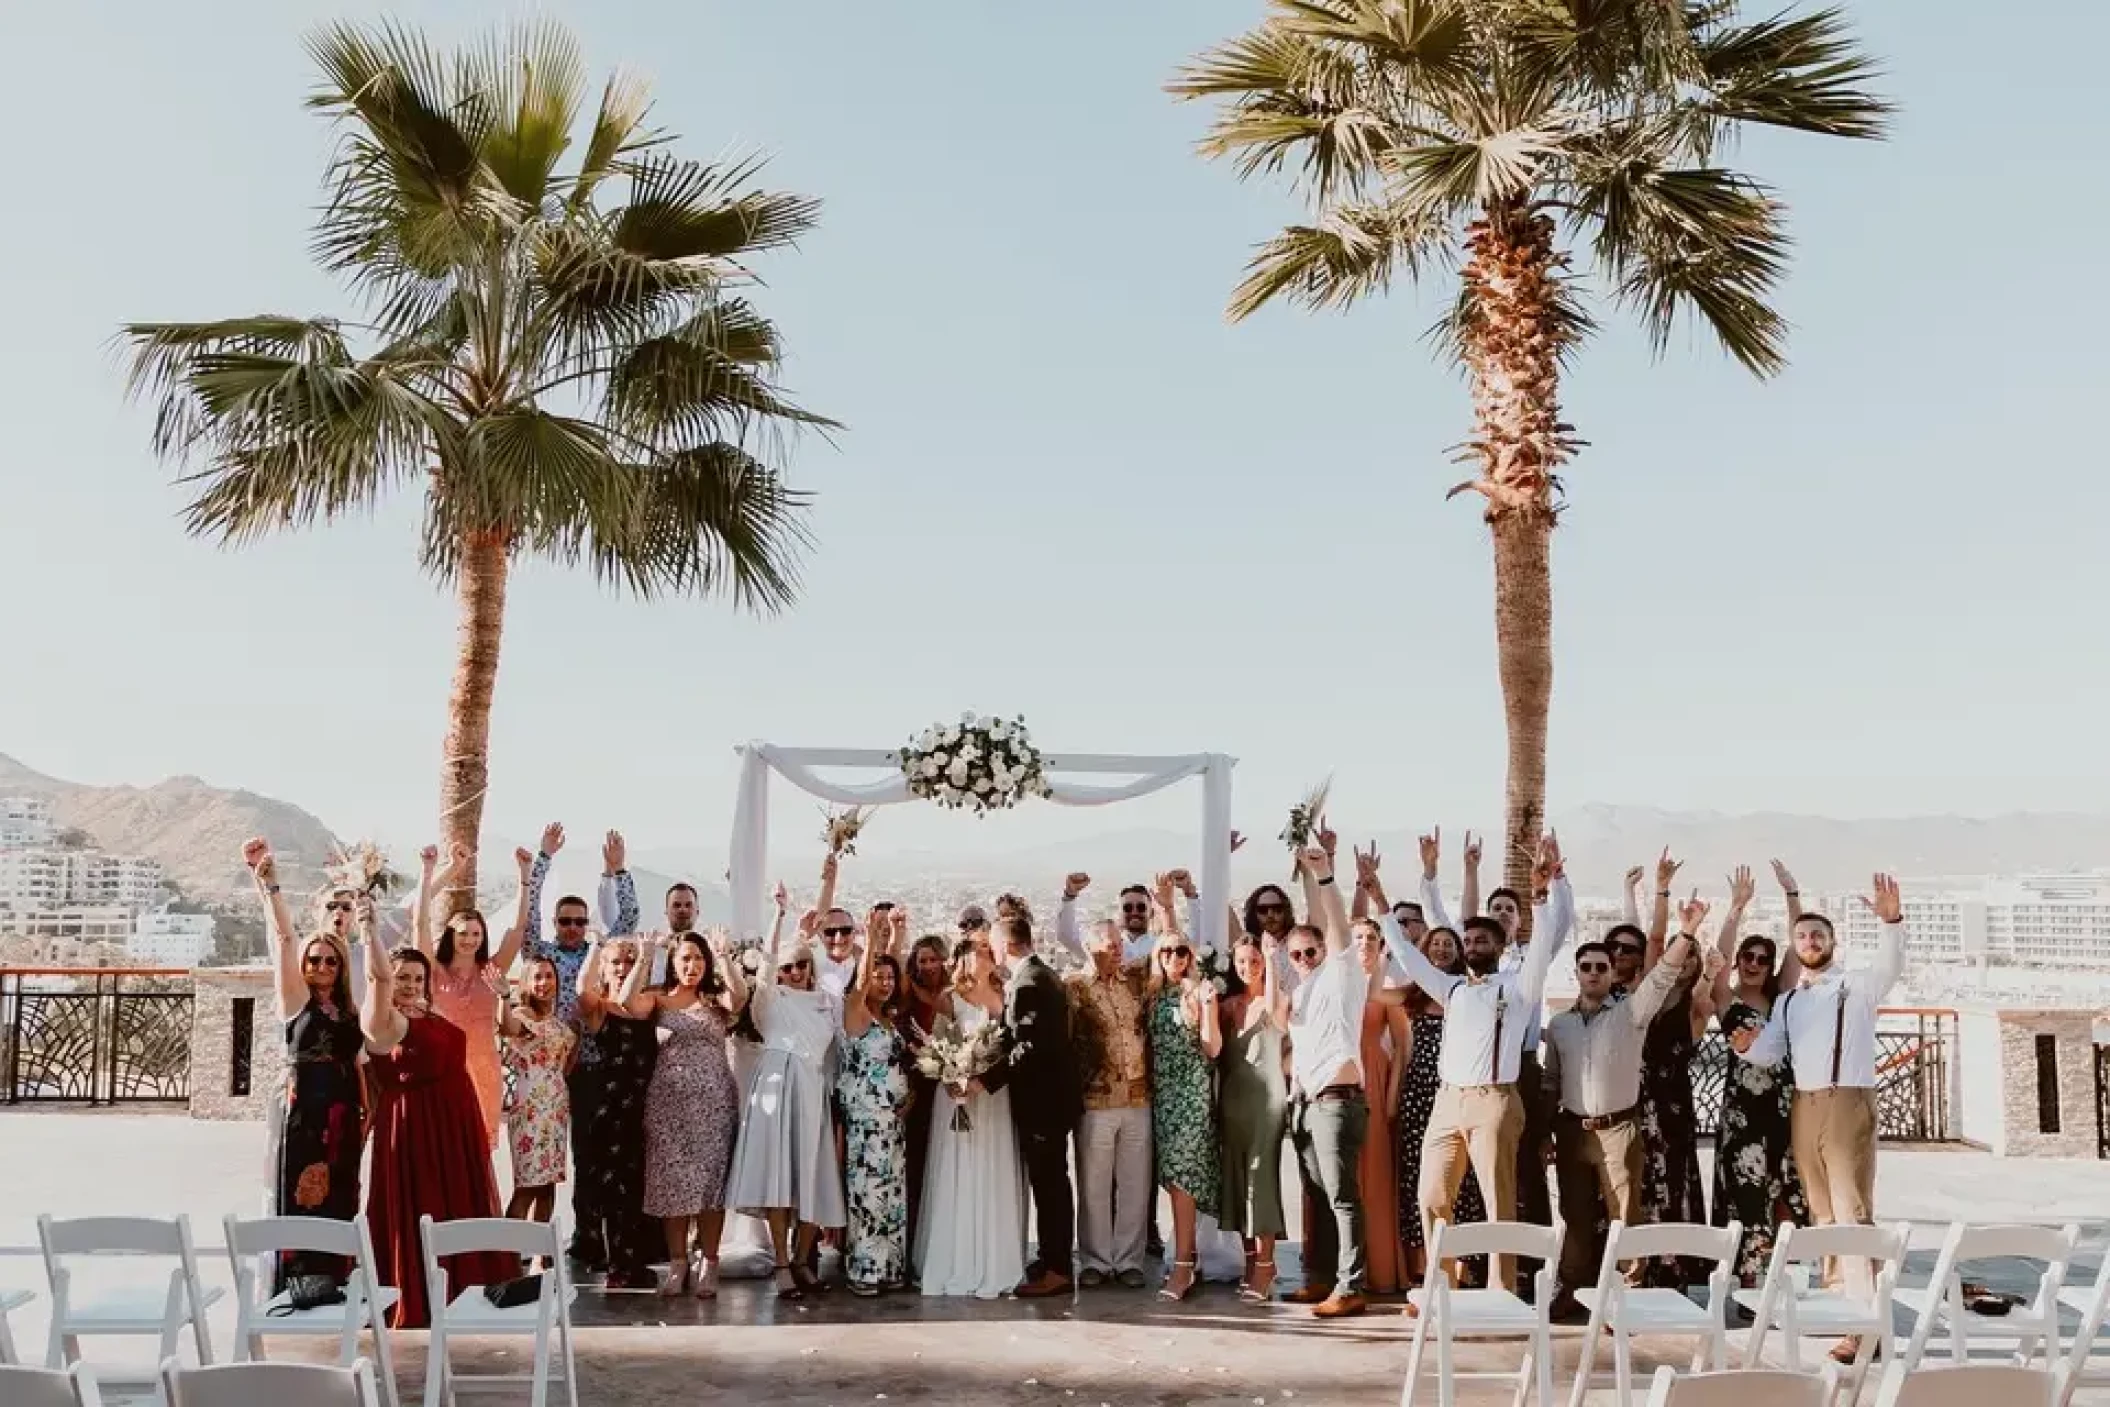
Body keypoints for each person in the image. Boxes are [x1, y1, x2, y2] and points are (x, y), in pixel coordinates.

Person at [1383, 832, 1573, 1295]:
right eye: (1467, 939)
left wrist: (1543, 895)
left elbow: (1547, 938)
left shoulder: (1518, 987)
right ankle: (1440, 1284)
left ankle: (1500, 1290)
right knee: (1431, 1195)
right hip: (1447, 1104)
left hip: (1495, 1102)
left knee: (1497, 1201)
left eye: (1481, 939)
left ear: (1499, 945)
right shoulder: (1452, 990)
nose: (1472, 944)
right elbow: (1409, 956)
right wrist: (1377, 897)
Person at [1735, 874, 1908, 1364]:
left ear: (1832, 943)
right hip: (1804, 1105)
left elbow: (1891, 966)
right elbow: (1770, 1052)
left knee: (1852, 1210)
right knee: (1823, 1212)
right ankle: (1843, 1309)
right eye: (1802, 937)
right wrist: (1745, 1046)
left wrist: (1891, 921)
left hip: (1846, 1098)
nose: (1809, 942)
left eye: (1818, 936)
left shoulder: (1856, 986)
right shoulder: (1790, 1000)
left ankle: (1865, 1322)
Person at [244, 839, 393, 1293]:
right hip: (304, 1109)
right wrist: (270, 886)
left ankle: (336, 1276)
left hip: (345, 1110)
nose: (322, 965)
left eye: (331, 960)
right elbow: (287, 939)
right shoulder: (295, 1001)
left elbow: (361, 1057)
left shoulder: (349, 1008)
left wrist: (367, 1113)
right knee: (301, 1189)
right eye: (316, 959)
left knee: (344, 1191)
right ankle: (296, 1278)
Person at [1538, 913, 1696, 1321]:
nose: (1593, 974)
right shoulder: (1560, 1026)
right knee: (1573, 1213)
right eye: (1586, 967)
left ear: (1612, 974)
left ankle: (1630, 1290)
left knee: (1624, 1213)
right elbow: (1551, 1082)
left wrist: (1688, 932)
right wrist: (1544, 1132)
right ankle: (1571, 1287)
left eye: (1601, 967)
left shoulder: (1631, 1014)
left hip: (1619, 1129)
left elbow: (1662, 976)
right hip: (1573, 1129)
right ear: (1576, 974)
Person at [363, 945, 514, 1329]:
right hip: (415, 1125)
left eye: (418, 978)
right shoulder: (384, 1019)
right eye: (403, 978)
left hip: (453, 1125)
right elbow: (377, 978)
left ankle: (465, 1286)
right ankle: (417, 1292)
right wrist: (369, 932)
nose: (411, 985)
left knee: (456, 1200)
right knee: (421, 1203)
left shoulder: (431, 1013)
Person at [523, 825, 637, 1269]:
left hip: (594, 1067)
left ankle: (590, 1238)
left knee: (591, 1156)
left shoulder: (599, 954)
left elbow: (626, 922)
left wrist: (618, 870)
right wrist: (543, 858)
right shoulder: (543, 955)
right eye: (564, 921)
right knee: (550, 1161)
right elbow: (527, 915)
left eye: (578, 921)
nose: (571, 928)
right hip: (550, 1073)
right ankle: (537, 1247)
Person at [726, 885, 846, 1299]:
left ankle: (801, 1260)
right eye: (787, 968)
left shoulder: (825, 1004)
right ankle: (780, 1262)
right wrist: (779, 916)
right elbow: (767, 963)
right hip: (776, 1094)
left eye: (799, 967)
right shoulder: (769, 1000)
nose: (792, 973)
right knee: (779, 1178)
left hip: (812, 1092)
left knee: (813, 1179)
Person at [620, 926, 747, 1298]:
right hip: (668, 1103)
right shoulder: (660, 998)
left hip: (714, 1102)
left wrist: (724, 956)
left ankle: (709, 1261)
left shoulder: (714, 999)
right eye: (685, 958)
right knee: (672, 1184)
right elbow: (628, 1001)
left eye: (698, 958)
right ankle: (677, 1263)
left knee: (711, 1185)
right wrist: (644, 956)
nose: (692, 965)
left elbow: (738, 999)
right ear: (673, 963)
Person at [1278, 846, 1374, 1319]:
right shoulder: (1298, 991)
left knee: (1342, 1197)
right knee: (1317, 1197)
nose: (1303, 959)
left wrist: (1324, 876)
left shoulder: (1341, 974)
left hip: (1338, 1102)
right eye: (1295, 954)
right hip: (1305, 1104)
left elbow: (1336, 924)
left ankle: (1351, 1285)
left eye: (1310, 951)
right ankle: (1321, 1278)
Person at [1709, 862, 1809, 1285]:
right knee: (1748, 1201)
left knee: (1786, 1199)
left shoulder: (1782, 997)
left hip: (1785, 1111)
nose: (1752, 963)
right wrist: (1735, 908)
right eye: (1747, 957)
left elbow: (1798, 947)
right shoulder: (1725, 999)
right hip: (1743, 1118)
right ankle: (1750, 1286)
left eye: (1761, 959)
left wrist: (1792, 896)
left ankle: (1782, 1285)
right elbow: (1719, 956)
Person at [915, 933, 1028, 1300]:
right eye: (978, 951)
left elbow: (1013, 1048)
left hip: (993, 1099)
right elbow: (938, 1044)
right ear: (964, 959)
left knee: (989, 1169)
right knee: (958, 1171)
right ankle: (954, 1256)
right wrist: (949, 1076)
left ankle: (995, 1259)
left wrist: (982, 1081)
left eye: (987, 951)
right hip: (956, 1099)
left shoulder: (1007, 995)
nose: (985, 956)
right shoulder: (950, 999)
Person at [981, 913, 1083, 1298]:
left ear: (1005, 945)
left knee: (1051, 1186)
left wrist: (983, 1081)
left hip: (1044, 1103)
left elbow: (1027, 1049)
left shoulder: (1030, 984)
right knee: (1051, 1182)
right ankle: (1050, 1256)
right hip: (1050, 1101)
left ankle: (1057, 1267)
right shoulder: (1039, 976)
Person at [411, 841, 533, 1151]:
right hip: (441, 1071)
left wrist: (524, 877)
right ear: (451, 935)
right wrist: (427, 873)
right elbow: (420, 923)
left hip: (484, 1071)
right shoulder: (434, 971)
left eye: (476, 934)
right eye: (463, 933)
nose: (469, 939)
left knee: (478, 1155)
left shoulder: (491, 970)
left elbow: (519, 929)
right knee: (443, 1150)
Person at [1062, 900, 1153, 1290]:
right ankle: (1096, 1260)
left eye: (1119, 943)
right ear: (1091, 946)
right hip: (1095, 1099)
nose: (1117, 949)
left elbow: (1173, 946)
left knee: (1135, 1183)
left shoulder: (1135, 981)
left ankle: (1130, 1259)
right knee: (1094, 1184)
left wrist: (1168, 904)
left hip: (1137, 1096)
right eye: (1109, 943)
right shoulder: (1075, 988)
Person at [1392, 925, 1488, 1290]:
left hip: (1457, 1090)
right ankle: (1424, 1268)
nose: (1444, 949)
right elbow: (1375, 996)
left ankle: (1461, 1270)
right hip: (1419, 1094)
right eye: (1436, 944)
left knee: (1462, 1182)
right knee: (1420, 1180)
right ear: (1425, 951)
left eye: (1450, 944)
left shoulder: (1468, 990)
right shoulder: (1412, 995)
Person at [1144, 875, 1223, 1302]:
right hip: (1162, 1098)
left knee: (1184, 1180)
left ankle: (1183, 1267)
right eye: (1167, 952)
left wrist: (1208, 1008)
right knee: (1174, 1179)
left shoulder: (1196, 992)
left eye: (1182, 951)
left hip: (1190, 1099)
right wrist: (1165, 906)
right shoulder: (1156, 995)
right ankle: (1184, 1258)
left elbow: (1212, 1048)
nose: (1175, 956)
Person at [573, 936, 660, 1289]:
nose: (622, 968)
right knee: (612, 1188)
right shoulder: (599, 1007)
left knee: (640, 1185)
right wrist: (596, 946)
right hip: (610, 1105)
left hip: (646, 1103)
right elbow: (581, 987)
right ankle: (616, 1266)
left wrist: (645, 956)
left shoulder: (645, 1003)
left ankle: (637, 1260)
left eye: (629, 961)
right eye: (616, 962)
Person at [838, 906, 913, 1296]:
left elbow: (894, 980)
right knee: (867, 1196)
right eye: (878, 977)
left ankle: (889, 1269)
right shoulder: (856, 1013)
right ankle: (863, 1271)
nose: (884, 983)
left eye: (889, 978)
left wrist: (898, 938)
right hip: (867, 1122)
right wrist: (870, 941)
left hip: (894, 1122)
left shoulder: (890, 1019)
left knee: (892, 1196)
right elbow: (865, 981)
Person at [1217, 930, 1289, 1304]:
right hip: (1232, 1102)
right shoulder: (1228, 1006)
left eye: (1254, 961)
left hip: (1266, 1103)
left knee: (1261, 1181)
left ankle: (1265, 1267)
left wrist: (1274, 959)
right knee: (1237, 1178)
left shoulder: (1274, 1003)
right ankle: (1251, 1262)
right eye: (1242, 961)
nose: (1248, 967)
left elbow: (1279, 1013)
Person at [500, 955, 578, 1227]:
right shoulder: (521, 1014)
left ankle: (541, 1256)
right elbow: (508, 1027)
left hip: (555, 1109)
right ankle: (505, 1256)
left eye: (549, 975)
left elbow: (566, 1063)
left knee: (548, 1184)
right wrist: (503, 998)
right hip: (531, 1107)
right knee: (528, 1184)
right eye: (537, 976)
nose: (544, 982)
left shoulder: (558, 1021)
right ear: (526, 981)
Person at [900, 930, 951, 1266]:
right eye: (923, 960)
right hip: (917, 1082)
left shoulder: (952, 991)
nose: (929, 966)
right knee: (915, 1163)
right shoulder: (907, 989)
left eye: (934, 959)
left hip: (947, 1082)